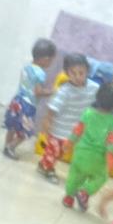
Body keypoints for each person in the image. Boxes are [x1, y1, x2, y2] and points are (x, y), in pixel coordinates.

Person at [62, 80, 113, 211]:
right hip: (98, 159)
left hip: (80, 154)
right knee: (101, 177)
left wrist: (69, 143)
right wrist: (111, 158)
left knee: (75, 176)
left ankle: (69, 198)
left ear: (98, 96)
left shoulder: (87, 113)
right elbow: (111, 143)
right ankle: (84, 192)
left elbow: (77, 131)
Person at [37, 53, 96, 182]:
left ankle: (43, 164)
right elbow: (50, 112)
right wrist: (45, 129)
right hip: (57, 130)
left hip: (73, 131)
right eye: (73, 73)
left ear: (87, 71)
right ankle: (48, 169)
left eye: (81, 73)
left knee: (61, 153)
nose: (77, 77)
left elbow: (103, 98)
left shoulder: (94, 88)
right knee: (54, 151)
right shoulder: (64, 91)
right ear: (67, 73)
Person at [3, 37, 56, 158]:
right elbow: (38, 92)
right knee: (26, 131)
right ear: (45, 59)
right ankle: (11, 147)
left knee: (12, 126)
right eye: (51, 61)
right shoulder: (40, 73)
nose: (50, 64)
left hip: (17, 100)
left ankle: (6, 145)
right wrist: (50, 92)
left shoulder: (27, 67)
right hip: (28, 105)